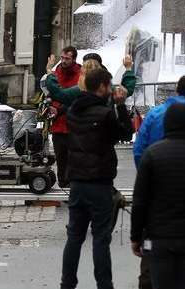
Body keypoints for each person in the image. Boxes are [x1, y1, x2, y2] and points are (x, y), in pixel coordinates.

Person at [130, 74, 185, 289]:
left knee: (153, 271)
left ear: (177, 89)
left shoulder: (154, 115)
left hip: (157, 222)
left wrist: (148, 178)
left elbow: (139, 150)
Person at [60, 67, 133, 289]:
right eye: (109, 86)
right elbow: (125, 134)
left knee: (74, 237)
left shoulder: (73, 111)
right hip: (100, 182)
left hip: (78, 182)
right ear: (102, 86)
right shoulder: (105, 114)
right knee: (101, 238)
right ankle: (104, 284)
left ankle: (67, 283)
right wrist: (120, 105)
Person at [134, 75, 185, 166]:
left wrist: (146, 174)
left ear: (177, 90)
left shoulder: (154, 114)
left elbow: (140, 148)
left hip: (156, 172)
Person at [45, 55, 138, 109]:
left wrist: (49, 72)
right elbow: (126, 90)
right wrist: (128, 68)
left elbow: (58, 93)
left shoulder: (77, 91)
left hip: (81, 136)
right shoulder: (108, 90)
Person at [49, 46, 81, 188]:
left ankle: (73, 185)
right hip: (58, 125)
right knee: (61, 157)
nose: (63, 61)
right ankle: (63, 183)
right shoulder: (56, 73)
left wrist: (59, 110)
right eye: (62, 58)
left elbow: (77, 100)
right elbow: (51, 92)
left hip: (74, 124)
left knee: (74, 158)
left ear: (73, 59)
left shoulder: (80, 74)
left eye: (67, 58)